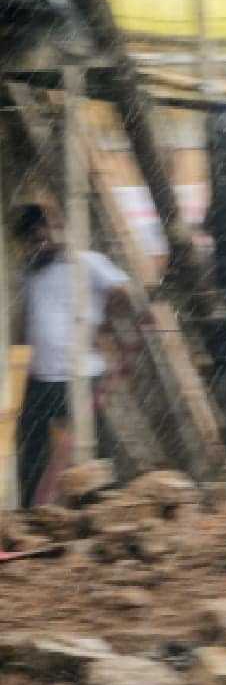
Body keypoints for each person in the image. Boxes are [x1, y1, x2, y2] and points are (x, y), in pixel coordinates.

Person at [11, 203, 146, 508]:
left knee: (91, 452)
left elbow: (124, 294)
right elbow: (23, 323)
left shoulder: (88, 263)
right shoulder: (29, 274)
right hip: (41, 378)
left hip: (82, 376)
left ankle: (96, 513)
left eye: (43, 233)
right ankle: (33, 517)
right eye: (31, 238)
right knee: (31, 453)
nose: (39, 241)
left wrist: (110, 328)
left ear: (57, 230)